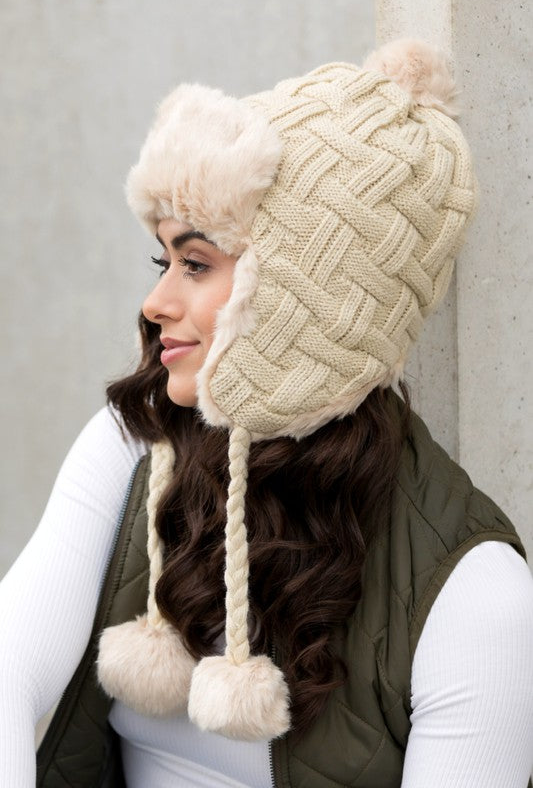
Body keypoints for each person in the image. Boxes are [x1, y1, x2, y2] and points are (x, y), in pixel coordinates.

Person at [1, 38, 533, 788]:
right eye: (163, 262)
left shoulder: (473, 592)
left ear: (293, 293)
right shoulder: (132, 451)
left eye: (196, 264)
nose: (156, 304)